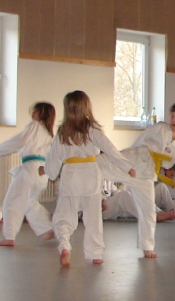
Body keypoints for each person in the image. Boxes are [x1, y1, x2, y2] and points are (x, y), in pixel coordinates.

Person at [45, 90, 134, 267]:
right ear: (87, 107)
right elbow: (110, 149)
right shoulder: (92, 129)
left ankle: (64, 246)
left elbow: (53, 157)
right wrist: (127, 167)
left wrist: (49, 171)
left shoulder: (62, 131)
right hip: (90, 174)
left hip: (70, 174)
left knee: (64, 216)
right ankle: (96, 254)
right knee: (93, 217)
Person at [100, 102, 175, 258]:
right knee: (99, 164)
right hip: (135, 159)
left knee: (148, 211)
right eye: (172, 116)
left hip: (147, 173)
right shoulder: (161, 128)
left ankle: (147, 246)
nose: (173, 119)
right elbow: (141, 140)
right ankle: (73, 168)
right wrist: (127, 159)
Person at [0, 102, 56, 246]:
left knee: (12, 202)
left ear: (41, 114)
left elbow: (19, 140)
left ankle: (9, 236)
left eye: (35, 111)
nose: (32, 114)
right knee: (29, 203)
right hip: (42, 172)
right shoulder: (49, 133)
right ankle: (47, 228)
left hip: (30, 169)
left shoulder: (35, 125)